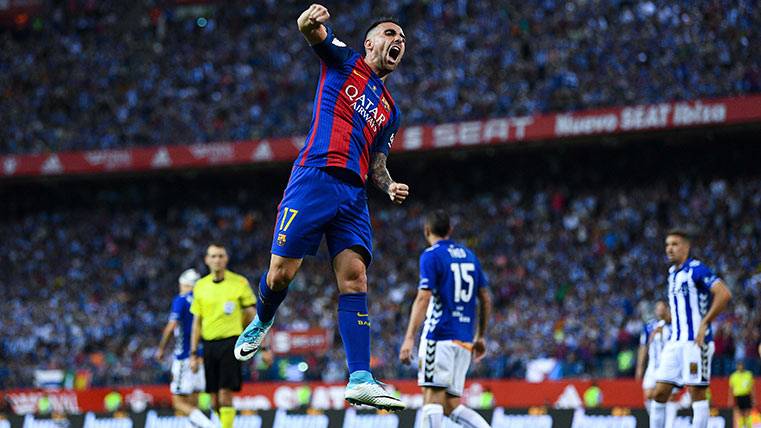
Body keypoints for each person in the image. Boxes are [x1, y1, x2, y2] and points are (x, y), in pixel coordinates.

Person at [233, 3, 408, 411]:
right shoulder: (345, 61)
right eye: (390, 33)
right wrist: (309, 21)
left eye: (402, 39)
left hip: (353, 195)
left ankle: (360, 378)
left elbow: (378, 164)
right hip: (314, 177)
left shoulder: (390, 111)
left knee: (355, 279)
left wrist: (388, 184)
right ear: (369, 43)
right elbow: (311, 32)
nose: (398, 41)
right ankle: (262, 320)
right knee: (280, 275)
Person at [399, 210, 492, 428]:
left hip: (439, 337)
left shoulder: (431, 255)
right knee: (451, 405)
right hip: (464, 341)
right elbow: (485, 298)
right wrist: (481, 335)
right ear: (450, 230)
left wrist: (409, 337)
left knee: (431, 400)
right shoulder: (470, 255)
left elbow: (423, 297)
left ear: (426, 230)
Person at [649, 230, 732, 428]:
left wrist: (705, 323)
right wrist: (666, 323)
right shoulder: (672, 274)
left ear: (686, 247)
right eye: (668, 244)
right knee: (659, 393)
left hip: (695, 342)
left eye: (675, 244)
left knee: (697, 392)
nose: (669, 248)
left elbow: (723, 294)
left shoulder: (696, 269)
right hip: (674, 342)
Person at [190, 244, 256, 428]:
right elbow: (197, 322)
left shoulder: (239, 283)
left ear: (226, 259)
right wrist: (194, 353)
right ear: (207, 260)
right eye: (213, 256)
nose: (217, 259)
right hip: (208, 345)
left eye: (220, 256)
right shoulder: (200, 286)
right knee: (213, 400)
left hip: (231, 343)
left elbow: (252, 313)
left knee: (225, 394)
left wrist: (257, 341)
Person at [155, 268, 213, 428]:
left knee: (178, 402)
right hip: (202, 357)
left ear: (186, 284)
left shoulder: (181, 300)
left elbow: (171, 326)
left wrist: (161, 349)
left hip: (185, 357)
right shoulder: (204, 299)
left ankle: (211, 426)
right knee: (192, 402)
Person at [636, 301, 678, 427]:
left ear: (667, 309)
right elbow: (643, 347)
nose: (659, 310)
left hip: (668, 365)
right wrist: (640, 366)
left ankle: (669, 425)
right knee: (648, 394)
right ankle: (658, 421)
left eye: (662, 308)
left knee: (669, 397)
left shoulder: (674, 326)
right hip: (653, 366)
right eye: (657, 308)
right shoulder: (649, 327)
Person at [728, 361, 755, 428]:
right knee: (738, 413)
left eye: (742, 365)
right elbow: (731, 389)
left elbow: (752, 388)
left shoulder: (748, 374)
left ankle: (748, 426)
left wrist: (753, 398)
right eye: (739, 365)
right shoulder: (733, 376)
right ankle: (741, 426)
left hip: (746, 395)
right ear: (737, 367)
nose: (740, 367)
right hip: (738, 396)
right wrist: (730, 399)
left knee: (747, 413)